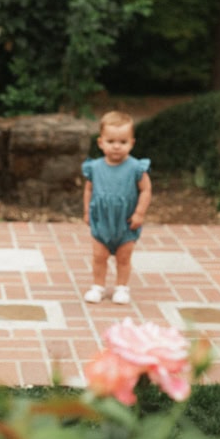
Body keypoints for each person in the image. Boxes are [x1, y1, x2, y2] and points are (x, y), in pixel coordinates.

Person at [81, 111, 152, 305]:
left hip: (126, 221)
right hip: (102, 221)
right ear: (101, 142)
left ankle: (121, 287)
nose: (117, 146)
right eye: (111, 141)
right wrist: (87, 211)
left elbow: (146, 190)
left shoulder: (136, 168)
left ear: (132, 143)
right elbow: (89, 189)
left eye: (123, 142)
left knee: (123, 257)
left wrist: (139, 213)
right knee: (99, 256)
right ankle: (98, 286)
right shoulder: (94, 167)